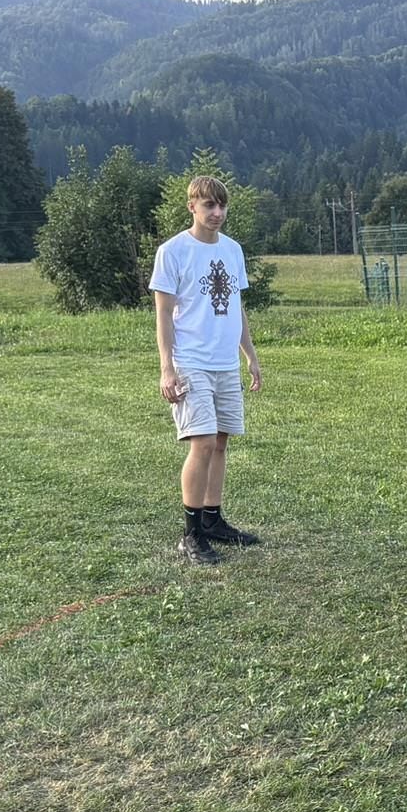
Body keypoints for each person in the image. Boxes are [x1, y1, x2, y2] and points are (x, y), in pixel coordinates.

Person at [150, 174, 264, 565]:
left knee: (220, 442)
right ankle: (191, 534)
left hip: (224, 363)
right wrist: (167, 368)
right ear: (192, 207)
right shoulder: (173, 251)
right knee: (200, 442)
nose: (217, 212)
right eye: (209, 205)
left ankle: (213, 520)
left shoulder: (233, 250)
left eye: (222, 205)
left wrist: (250, 355)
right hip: (190, 362)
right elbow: (163, 314)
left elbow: (236, 307)